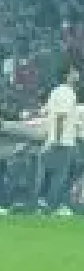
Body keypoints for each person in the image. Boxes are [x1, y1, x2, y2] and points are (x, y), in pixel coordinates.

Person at [37, 69, 80, 213]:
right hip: (63, 141)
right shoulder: (67, 92)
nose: (78, 74)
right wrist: (58, 139)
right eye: (74, 71)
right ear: (66, 75)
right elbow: (61, 116)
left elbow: (45, 112)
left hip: (58, 139)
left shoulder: (55, 91)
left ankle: (45, 202)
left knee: (56, 172)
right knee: (59, 175)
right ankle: (52, 205)